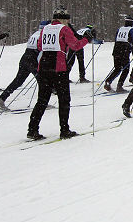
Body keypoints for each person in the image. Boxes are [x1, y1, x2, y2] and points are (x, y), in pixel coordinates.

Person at [27, 7, 93, 140]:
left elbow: (39, 46)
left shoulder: (45, 28)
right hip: (58, 68)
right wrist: (86, 39)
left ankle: (32, 129)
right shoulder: (64, 29)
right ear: (64, 19)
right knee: (64, 100)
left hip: (43, 67)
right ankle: (64, 129)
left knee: (42, 100)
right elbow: (75, 45)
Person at [0, 21, 48, 111]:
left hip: (25, 57)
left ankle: (2, 98)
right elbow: (41, 51)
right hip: (33, 59)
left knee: (18, 81)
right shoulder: (43, 35)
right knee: (42, 81)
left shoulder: (35, 34)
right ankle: (42, 103)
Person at [104, 16, 133, 92]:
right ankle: (119, 86)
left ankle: (108, 81)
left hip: (116, 49)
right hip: (124, 50)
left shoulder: (119, 29)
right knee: (125, 69)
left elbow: (116, 39)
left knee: (117, 68)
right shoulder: (131, 30)